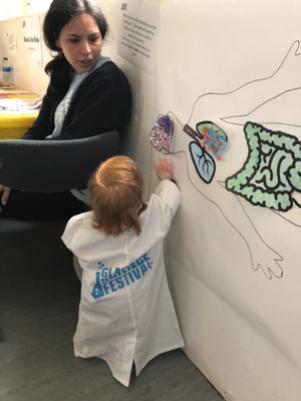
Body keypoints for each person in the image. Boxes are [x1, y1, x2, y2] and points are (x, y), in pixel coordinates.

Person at [0, 0, 131, 221]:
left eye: (94, 39)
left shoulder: (108, 82)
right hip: (48, 171)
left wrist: (15, 174)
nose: (87, 51)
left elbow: (69, 153)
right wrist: (10, 170)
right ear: (56, 40)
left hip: (72, 190)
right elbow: (39, 128)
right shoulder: (64, 72)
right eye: (74, 40)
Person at [61, 156, 184, 387]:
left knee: (98, 327)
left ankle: (93, 348)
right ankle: (138, 355)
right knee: (139, 322)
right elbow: (171, 195)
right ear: (138, 198)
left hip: (101, 297)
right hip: (141, 296)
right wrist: (166, 179)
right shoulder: (154, 216)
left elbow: (73, 245)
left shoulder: (79, 226)